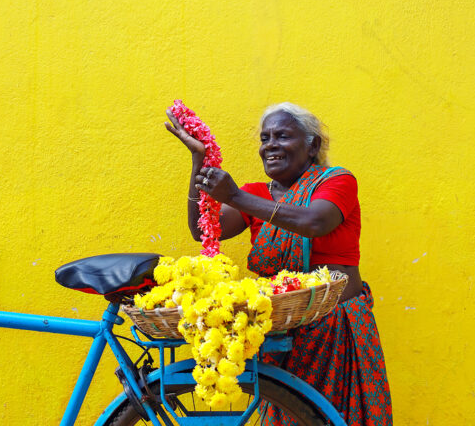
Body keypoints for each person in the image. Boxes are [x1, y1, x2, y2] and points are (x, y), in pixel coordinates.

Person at [165, 102, 392, 425]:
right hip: (280, 334)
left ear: (313, 145)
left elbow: (314, 222)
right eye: (265, 138)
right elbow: (203, 230)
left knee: (340, 416)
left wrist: (234, 197)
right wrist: (199, 158)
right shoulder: (256, 194)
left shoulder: (337, 182)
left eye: (282, 136)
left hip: (336, 332)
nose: (270, 145)